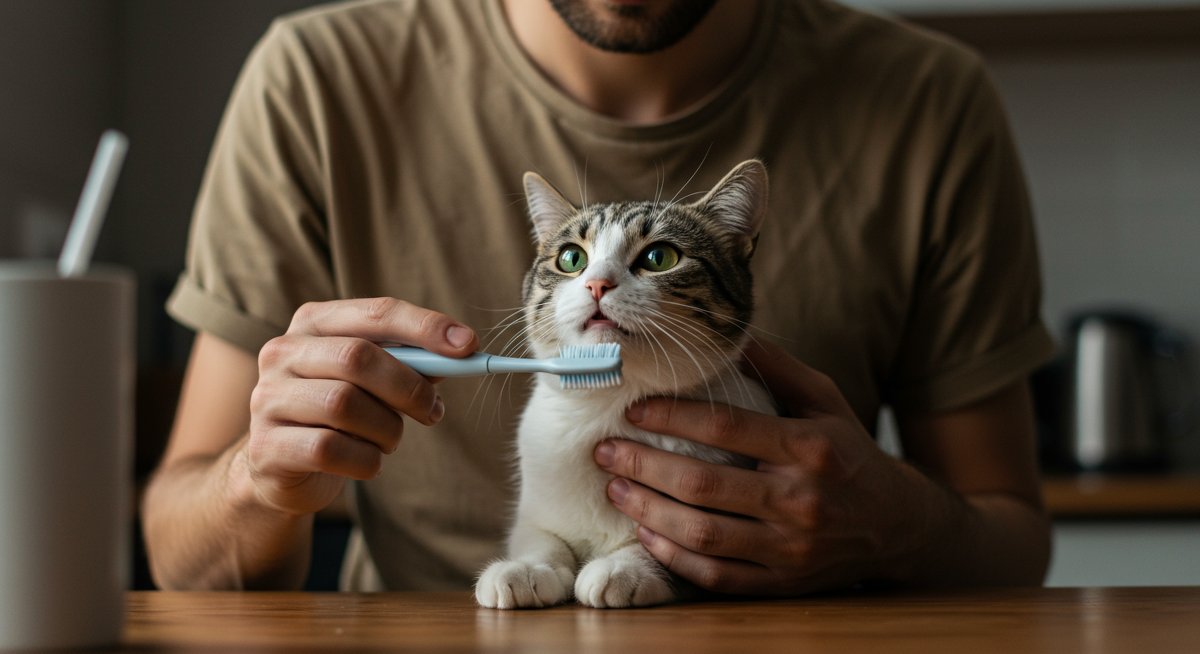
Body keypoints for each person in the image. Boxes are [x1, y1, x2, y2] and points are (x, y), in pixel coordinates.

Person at [143, 0, 1056, 593]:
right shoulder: (314, 83)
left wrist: (899, 526)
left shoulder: (933, 101)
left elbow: (1016, 549)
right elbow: (181, 559)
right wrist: (258, 479)